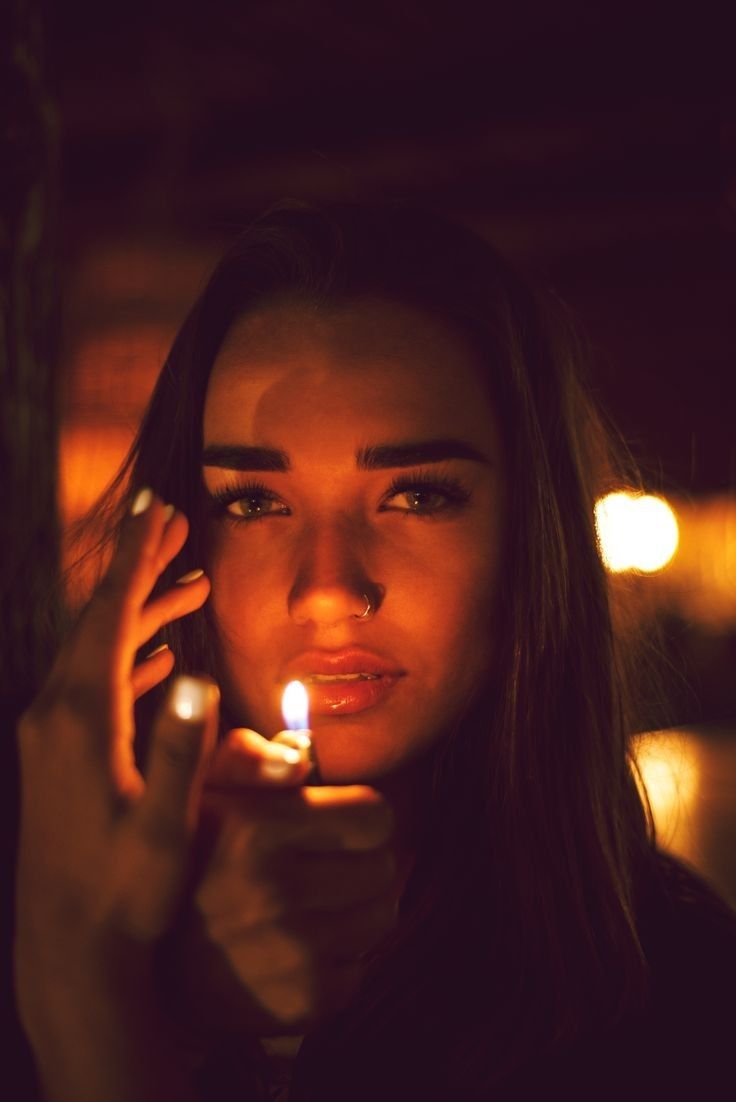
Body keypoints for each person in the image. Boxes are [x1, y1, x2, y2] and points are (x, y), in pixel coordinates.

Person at [13, 201, 736, 1102]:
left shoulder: (681, 997)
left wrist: (91, 1004)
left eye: (417, 497)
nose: (326, 591)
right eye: (253, 502)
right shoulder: (41, 889)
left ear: (530, 539)